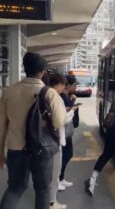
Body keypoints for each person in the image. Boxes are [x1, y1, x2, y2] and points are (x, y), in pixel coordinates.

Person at [0, 53, 66, 209]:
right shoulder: (49, 93)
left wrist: (0, 153)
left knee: (15, 189)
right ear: (42, 72)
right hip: (41, 149)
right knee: (43, 190)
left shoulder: (9, 91)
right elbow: (58, 122)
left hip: (16, 149)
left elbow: (1, 124)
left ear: (25, 69)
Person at [48, 73, 78, 209]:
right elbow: (61, 119)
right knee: (53, 175)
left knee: (48, 175)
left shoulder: (44, 93)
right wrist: (71, 112)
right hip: (55, 139)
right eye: (63, 85)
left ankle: (49, 201)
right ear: (60, 84)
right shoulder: (55, 96)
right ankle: (52, 203)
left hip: (46, 139)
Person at [58, 75, 78, 190]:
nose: (75, 87)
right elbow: (65, 114)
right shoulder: (62, 97)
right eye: (74, 85)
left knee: (67, 154)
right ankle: (59, 179)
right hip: (64, 131)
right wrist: (73, 108)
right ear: (67, 85)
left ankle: (61, 178)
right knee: (66, 154)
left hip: (67, 131)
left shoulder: (66, 96)